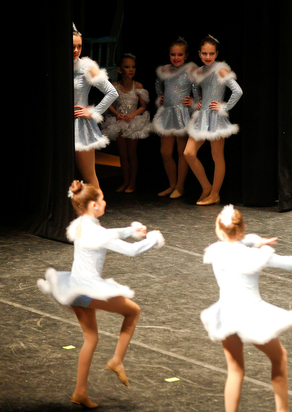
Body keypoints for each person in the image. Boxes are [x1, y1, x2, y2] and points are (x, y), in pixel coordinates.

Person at [37, 180, 165, 408]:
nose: (105, 202)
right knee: (133, 312)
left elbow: (109, 233)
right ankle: (116, 360)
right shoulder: (97, 233)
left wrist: (131, 230)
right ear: (94, 206)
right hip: (88, 289)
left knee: (91, 338)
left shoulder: (81, 225)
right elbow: (132, 251)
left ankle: (80, 392)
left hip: (72, 287)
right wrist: (153, 238)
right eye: (102, 199)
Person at [201, 205, 292, 412]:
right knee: (279, 358)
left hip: (226, 315)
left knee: (235, 370)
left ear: (219, 232)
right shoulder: (255, 256)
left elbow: (236, 242)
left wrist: (255, 241)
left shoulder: (216, 252)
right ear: (243, 229)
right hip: (251, 315)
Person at [185, 35, 243, 206]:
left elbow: (237, 91)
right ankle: (206, 186)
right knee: (188, 153)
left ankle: (215, 194)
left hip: (216, 117)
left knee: (217, 156)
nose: (208, 57)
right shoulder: (200, 71)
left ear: (216, 54)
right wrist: (198, 102)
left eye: (211, 54)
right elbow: (196, 90)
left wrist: (224, 107)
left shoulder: (220, 69)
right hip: (202, 117)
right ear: (199, 53)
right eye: (204, 53)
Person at [72, 24, 118, 188]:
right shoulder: (59, 67)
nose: (76, 50)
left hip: (80, 127)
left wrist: (93, 112)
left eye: (79, 46)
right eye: (72, 47)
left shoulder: (86, 67)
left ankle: (95, 211)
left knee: (89, 176)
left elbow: (112, 92)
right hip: (61, 127)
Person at [153, 37, 197, 198]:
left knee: (181, 151)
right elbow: (158, 83)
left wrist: (194, 101)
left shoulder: (190, 70)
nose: (176, 58)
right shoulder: (165, 69)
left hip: (181, 113)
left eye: (180, 55)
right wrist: (160, 97)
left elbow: (197, 87)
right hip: (167, 113)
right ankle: (172, 185)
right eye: (173, 55)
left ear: (186, 56)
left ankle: (180, 186)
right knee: (165, 152)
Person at [102, 53, 153, 193]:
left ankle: (132, 183)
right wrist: (116, 113)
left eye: (133, 67)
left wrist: (132, 114)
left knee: (132, 154)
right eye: (127, 67)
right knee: (123, 155)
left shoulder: (138, 86)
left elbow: (143, 106)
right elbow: (109, 104)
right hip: (119, 122)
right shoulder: (115, 86)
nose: (131, 70)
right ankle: (125, 181)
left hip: (133, 122)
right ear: (119, 69)